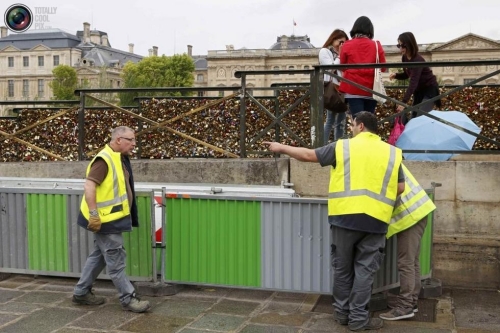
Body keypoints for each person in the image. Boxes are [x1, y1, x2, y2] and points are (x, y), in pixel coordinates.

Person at [264, 111, 405, 331]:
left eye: (352, 125)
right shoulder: (393, 153)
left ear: (360, 126)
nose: (350, 128)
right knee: (364, 272)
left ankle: (341, 314)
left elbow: (309, 155)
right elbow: (400, 188)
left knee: (342, 270)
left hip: (345, 218)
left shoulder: (343, 147)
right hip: (376, 220)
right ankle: (359, 320)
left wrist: (281, 147)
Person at [72, 126, 151, 313]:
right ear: (118, 140)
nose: (134, 144)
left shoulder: (118, 157)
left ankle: (81, 292)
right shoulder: (104, 160)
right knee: (116, 260)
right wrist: (93, 214)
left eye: (134, 140)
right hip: (105, 220)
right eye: (130, 140)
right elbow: (89, 186)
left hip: (112, 218)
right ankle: (128, 298)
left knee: (99, 256)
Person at [379, 164, 436, 321]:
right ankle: (411, 302)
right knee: (412, 262)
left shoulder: (380, 163)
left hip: (410, 217)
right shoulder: (389, 157)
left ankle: (405, 307)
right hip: (418, 212)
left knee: (406, 263)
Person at [389, 32, 441, 124]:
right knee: (414, 118)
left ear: (409, 44)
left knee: (421, 118)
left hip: (429, 90)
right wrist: (396, 75)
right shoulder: (404, 58)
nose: (401, 48)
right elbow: (407, 74)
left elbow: (413, 82)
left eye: (402, 45)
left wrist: (404, 102)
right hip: (419, 92)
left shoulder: (418, 60)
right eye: (399, 45)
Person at [339, 16, 386, 117]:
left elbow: (342, 66)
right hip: (371, 89)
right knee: (369, 122)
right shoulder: (376, 45)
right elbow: (383, 68)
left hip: (353, 87)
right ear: (370, 29)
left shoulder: (347, 45)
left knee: (358, 121)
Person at [319, 29, 349, 143]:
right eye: (340, 42)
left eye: (344, 43)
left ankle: (338, 146)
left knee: (341, 121)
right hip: (332, 88)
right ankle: (323, 146)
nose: (342, 45)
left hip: (342, 88)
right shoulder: (324, 51)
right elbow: (330, 68)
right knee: (330, 119)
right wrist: (340, 56)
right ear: (333, 39)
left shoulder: (340, 54)